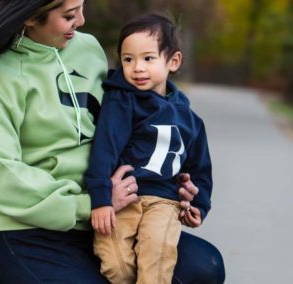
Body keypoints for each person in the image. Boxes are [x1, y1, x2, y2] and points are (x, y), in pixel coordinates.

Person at [0, 0, 225, 283]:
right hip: (32, 229)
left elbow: (135, 109)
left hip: (108, 216)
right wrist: (87, 204)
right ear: (30, 18)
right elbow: (1, 177)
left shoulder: (88, 49)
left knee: (204, 267)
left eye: (82, 7)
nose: (82, 20)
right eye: (70, 15)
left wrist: (168, 170)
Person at [85, 13, 214, 284]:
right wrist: (100, 200)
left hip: (164, 203)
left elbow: (199, 169)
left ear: (173, 61)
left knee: (156, 261)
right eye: (128, 59)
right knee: (117, 266)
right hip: (123, 200)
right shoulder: (121, 100)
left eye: (148, 58)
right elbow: (104, 149)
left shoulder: (189, 119)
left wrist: (199, 205)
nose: (137, 68)